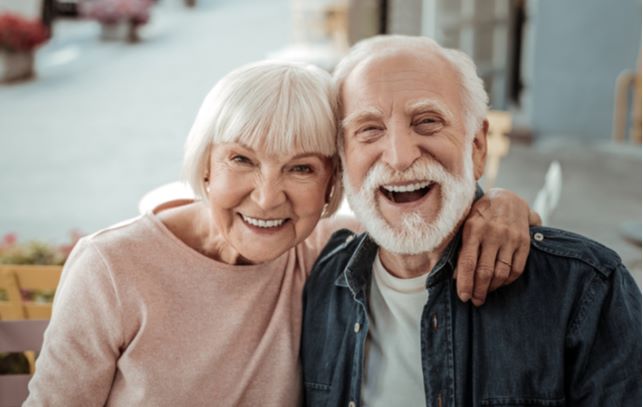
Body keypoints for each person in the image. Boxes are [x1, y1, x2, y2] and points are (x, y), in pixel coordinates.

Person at [26, 60, 536, 406]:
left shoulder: (324, 251)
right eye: (242, 160)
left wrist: (499, 205)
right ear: (205, 165)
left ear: (333, 184)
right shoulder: (112, 268)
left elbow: (428, 216)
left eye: (301, 169)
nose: (268, 198)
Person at [301, 35, 642, 406]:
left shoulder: (584, 289)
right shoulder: (319, 278)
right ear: (342, 158)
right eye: (369, 129)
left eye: (427, 122)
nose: (399, 156)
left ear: (477, 146)